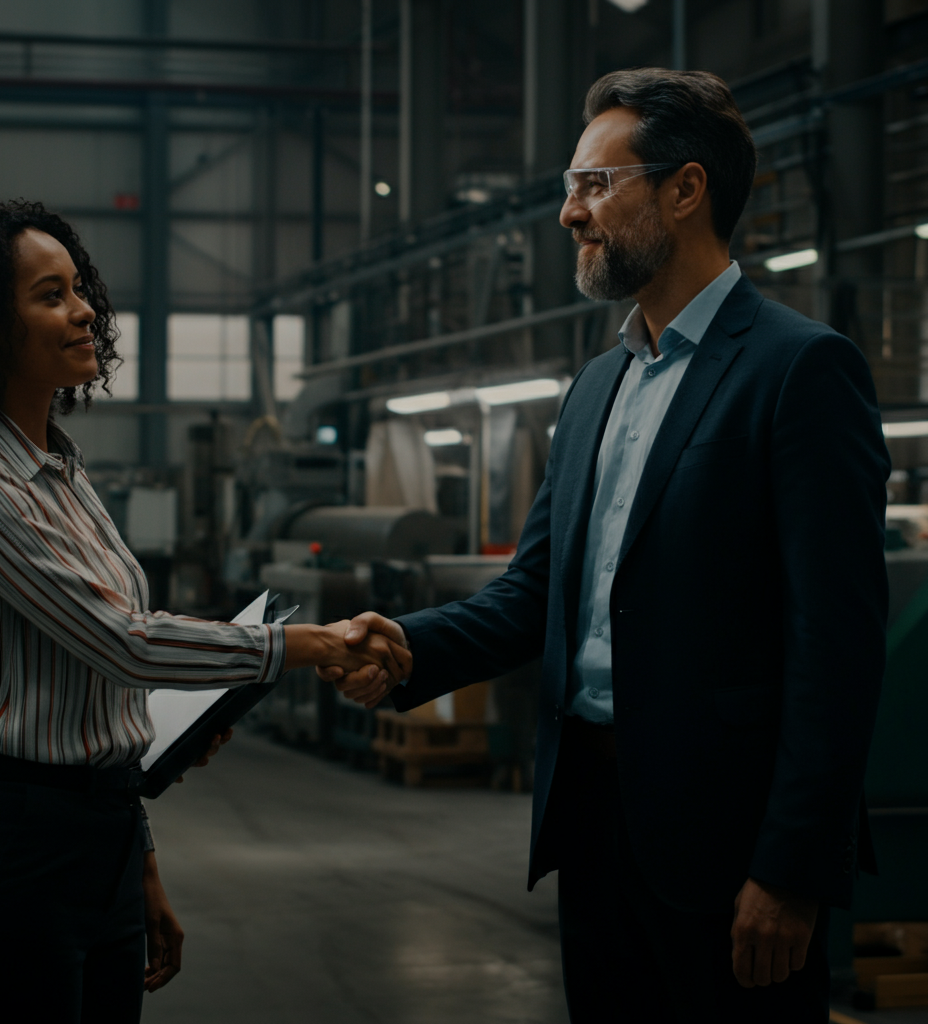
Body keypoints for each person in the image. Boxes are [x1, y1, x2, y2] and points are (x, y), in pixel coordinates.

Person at [322, 68, 889, 1023]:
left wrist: (793, 870)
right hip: (589, 825)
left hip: (726, 844)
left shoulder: (800, 370)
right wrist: (409, 647)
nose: (568, 215)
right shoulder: (595, 388)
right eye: (569, 188)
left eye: (593, 185)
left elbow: (837, 646)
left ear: (684, 189)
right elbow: (537, 592)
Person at [0, 198, 410, 1024]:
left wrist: (137, 866)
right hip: (6, 861)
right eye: (49, 295)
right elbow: (121, 644)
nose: (84, 313)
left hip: (98, 849)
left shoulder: (62, 475)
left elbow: (95, 701)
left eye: (79, 289)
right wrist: (309, 644)